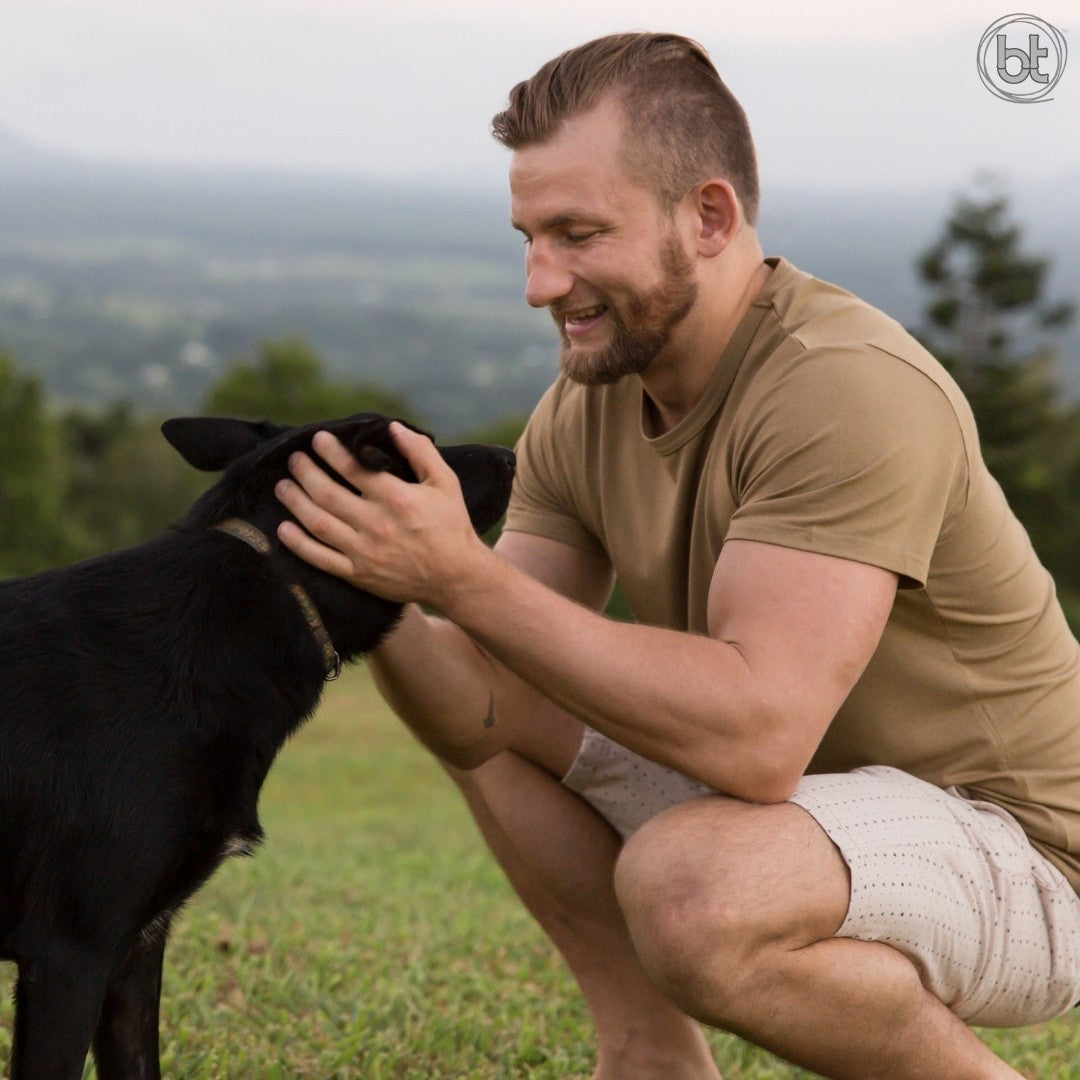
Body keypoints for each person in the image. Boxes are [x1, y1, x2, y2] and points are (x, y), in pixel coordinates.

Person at [274, 31, 1080, 1080]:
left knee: (692, 885)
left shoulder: (845, 387)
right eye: (528, 237)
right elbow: (485, 688)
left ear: (708, 216)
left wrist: (457, 577)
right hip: (814, 823)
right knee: (500, 708)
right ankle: (651, 1056)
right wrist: (358, 568)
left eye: (576, 234)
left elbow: (757, 739)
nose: (539, 282)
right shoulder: (589, 401)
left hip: (1026, 853)